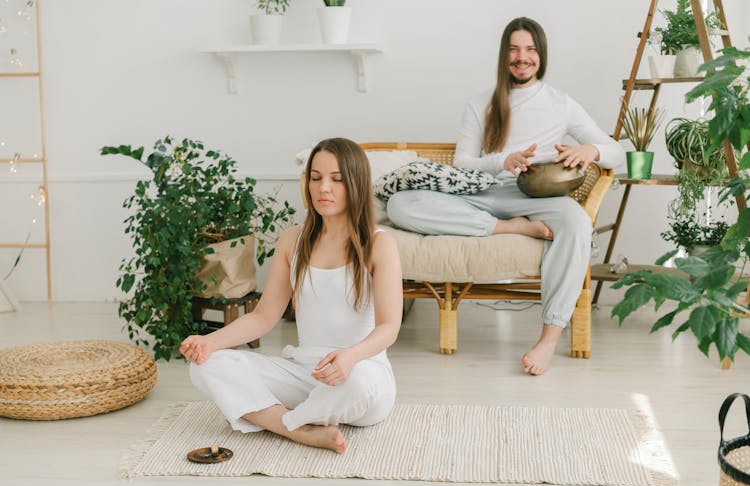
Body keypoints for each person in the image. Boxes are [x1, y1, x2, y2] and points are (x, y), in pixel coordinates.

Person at [386, 17, 625, 376]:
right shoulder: (480, 103)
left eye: (529, 49)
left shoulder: (561, 104)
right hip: (482, 193)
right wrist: (503, 160)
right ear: (504, 55)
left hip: (536, 196)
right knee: (400, 204)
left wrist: (591, 150)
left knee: (576, 223)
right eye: (514, 49)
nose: (522, 57)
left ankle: (548, 339)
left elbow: (618, 150)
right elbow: (463, 163)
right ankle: (512, 229)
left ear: (540, 56)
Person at [181, 137, 403, 454]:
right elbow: (263, 316)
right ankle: (302, 429)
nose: (323, 188)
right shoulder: (292, 241)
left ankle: (285, 422)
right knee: (205, 365)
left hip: (361, 376)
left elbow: (389, 327)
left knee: (359, 382)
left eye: (337, 179)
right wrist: (211, 342)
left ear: (356, 183)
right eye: (316, 178)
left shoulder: (380, 244)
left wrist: (351, 356)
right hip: (304, 375)